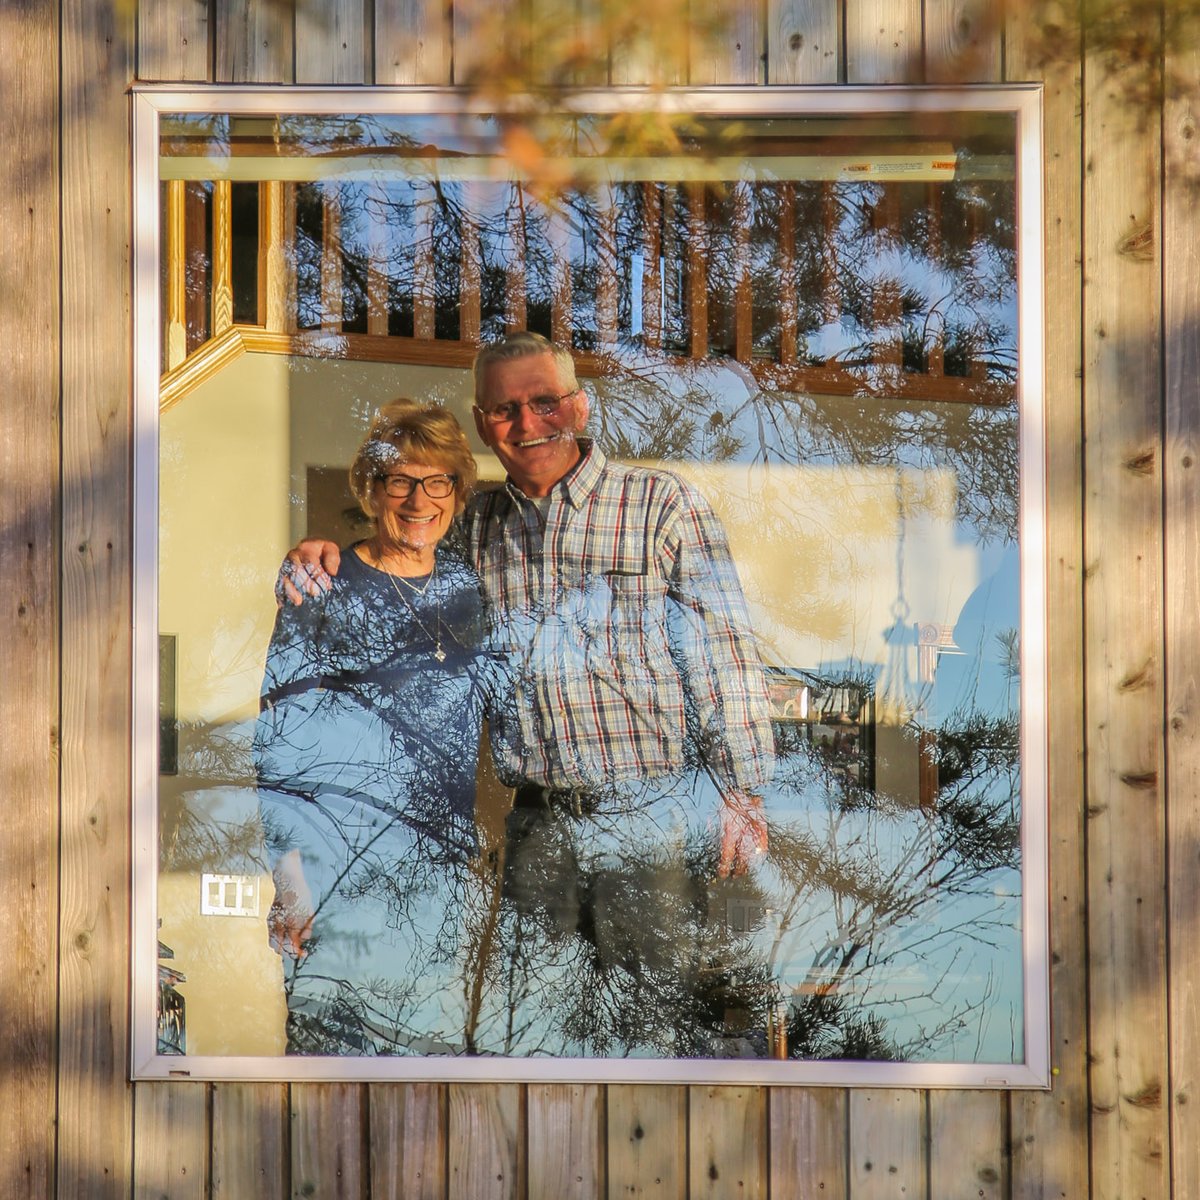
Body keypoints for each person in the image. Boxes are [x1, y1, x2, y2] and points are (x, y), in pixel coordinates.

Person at [283, 333, 777, 1055]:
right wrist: (321, 552)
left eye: (545, 402)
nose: (527, 423)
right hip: (537, 827)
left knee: (653, 1040)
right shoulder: (473, 528)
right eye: (505, 409)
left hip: (653, 818)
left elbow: (723, 651)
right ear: (483, 423)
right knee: (533, 1044)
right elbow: (400, 552)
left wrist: (743, 791)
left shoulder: (658, 506)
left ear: (579, 406)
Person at [254, 400, 491, 1055]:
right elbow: (280, 742)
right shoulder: (323, 584)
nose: (419, 500)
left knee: (430, 1077)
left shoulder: (470, 590)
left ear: (458, 492)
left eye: (437, 481)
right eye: (400, 481)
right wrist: (290, 881)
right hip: (338, 874)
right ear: (372, 488)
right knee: (333, 1071)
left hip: (440, 880)